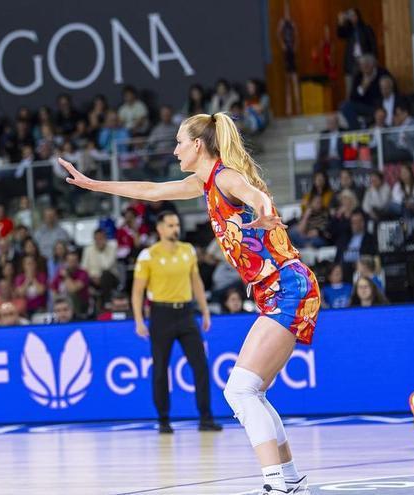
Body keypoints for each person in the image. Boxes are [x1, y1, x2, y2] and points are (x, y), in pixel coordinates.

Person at [60, 111, 320, 494]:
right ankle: (290, 478)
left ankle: (275, 485)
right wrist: (93, 184)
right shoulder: (203, 183)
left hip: (287, 286)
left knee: (240, 391)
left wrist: (265, 214)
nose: (175, 148)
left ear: (198, 145)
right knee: (252, 391)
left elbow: (257, 195)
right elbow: (150, 190)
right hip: (279, 289)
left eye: (180, 141)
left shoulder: (226, 177)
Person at [131, 211, 221, 434]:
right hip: (161, 314)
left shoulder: (187, 250)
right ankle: (163, 420)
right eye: (170, 225)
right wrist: (139, 320)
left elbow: (196, 282)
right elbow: (137, 291)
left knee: (200, 365)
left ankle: (206, 418)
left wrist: (205, 311)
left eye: (176, 225)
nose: (175, 229)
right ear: (160, 229)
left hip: (186, 313)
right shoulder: (147, 255)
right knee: (160, 369)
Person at [277, 1, 301, 115]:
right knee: (287, 83)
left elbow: (296, 35)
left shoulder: (292, 23)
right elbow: (278, 34)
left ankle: (298, 108)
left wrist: (295, 45)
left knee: (294, 80)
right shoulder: (282, 23)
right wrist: (282, 44)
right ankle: (289, 109)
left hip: (292, 54)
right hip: (286, 55)